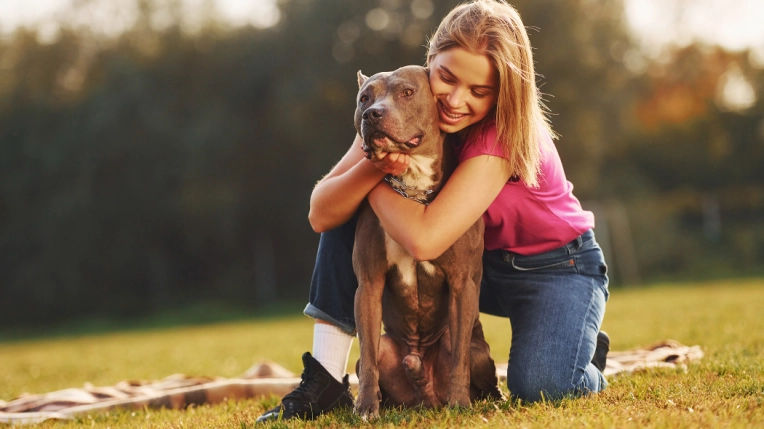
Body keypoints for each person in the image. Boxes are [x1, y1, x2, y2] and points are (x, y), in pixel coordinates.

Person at [257, 0, 610, 422]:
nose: (456, 100)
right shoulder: (397, 109)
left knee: (542, 385)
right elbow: (321, 213)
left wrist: (373, 174)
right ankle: (326, 376)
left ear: (503, 93)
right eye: (446, 78)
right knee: (344, 210)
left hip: (557, 267)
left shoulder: (501, 135)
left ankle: (581, 352)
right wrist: (376, 159)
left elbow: (425, 240)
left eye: (479, 91)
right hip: (486, 265)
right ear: (429, 65)